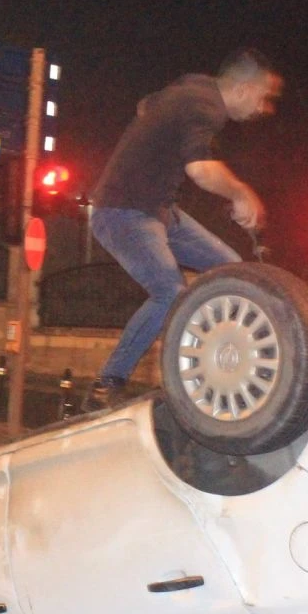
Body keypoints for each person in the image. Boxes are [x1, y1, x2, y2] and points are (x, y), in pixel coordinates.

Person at [81, 49, 283, 410]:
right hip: (122, 212)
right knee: (170, 291)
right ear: (241, 89)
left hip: (159, 211)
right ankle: (104, 386)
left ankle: (222, 358)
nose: (264, 108)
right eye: (262, 97)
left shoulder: (193, 89)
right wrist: (240, 192)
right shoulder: (205, 106)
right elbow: (201, 171)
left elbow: (147, 103)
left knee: (233, 269)